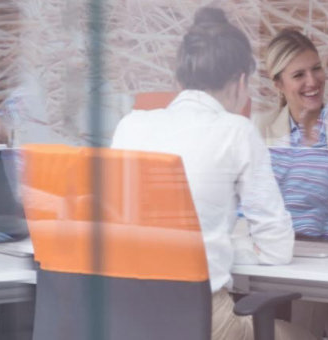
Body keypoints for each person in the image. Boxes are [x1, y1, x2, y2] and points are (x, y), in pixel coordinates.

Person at [110, 7, 314, 340]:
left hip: (124, 318)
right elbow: (277, 250)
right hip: (202, 321)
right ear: (242, 81)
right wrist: (226, 244)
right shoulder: (236, 131)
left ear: (179, 80)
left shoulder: (130, 126)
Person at [257, 28, 328, 149]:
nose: (312, 82)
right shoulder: (258, 130)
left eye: (316, 68)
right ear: (279, 85)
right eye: (298, 75)